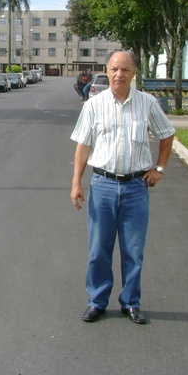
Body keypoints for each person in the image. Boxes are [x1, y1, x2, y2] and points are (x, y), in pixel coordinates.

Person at [70, 51, 175, 325]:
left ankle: (131, 302)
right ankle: (97, 301)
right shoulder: (94, 105)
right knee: (98, 250)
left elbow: (167, 134)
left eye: (125, 70)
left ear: (133, 73)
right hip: (102, 185)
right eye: (115, 69)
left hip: (135, 188)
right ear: (107, 71)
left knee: (133, 250)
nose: (119, 74)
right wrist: (76, 183)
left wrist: (159, 168)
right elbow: (83, 145)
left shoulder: (148, 104)